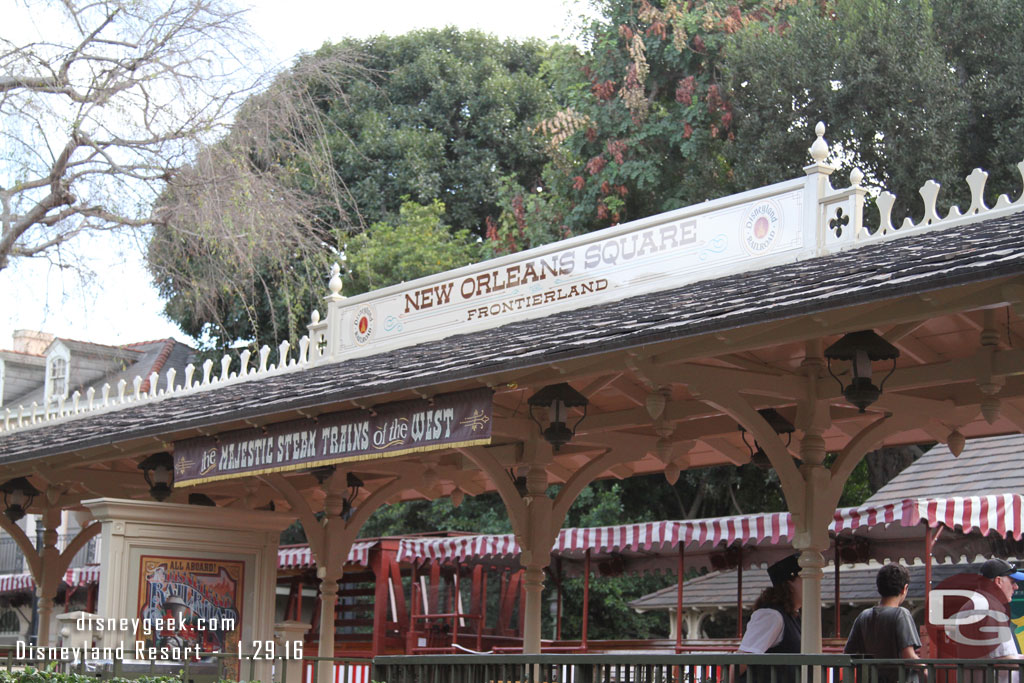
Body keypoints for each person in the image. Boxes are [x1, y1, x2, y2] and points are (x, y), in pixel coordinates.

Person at [844, 563, 923, 683]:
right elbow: (909, 656)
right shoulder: (901, 614)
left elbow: (848, 653)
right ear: (905, 588)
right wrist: (926, 670)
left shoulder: (863, 616)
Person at [736, 553, 802, 683]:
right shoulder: (771, 615)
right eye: (805, 579)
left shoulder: (792, 615)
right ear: (790, 584)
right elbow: (742, 659)